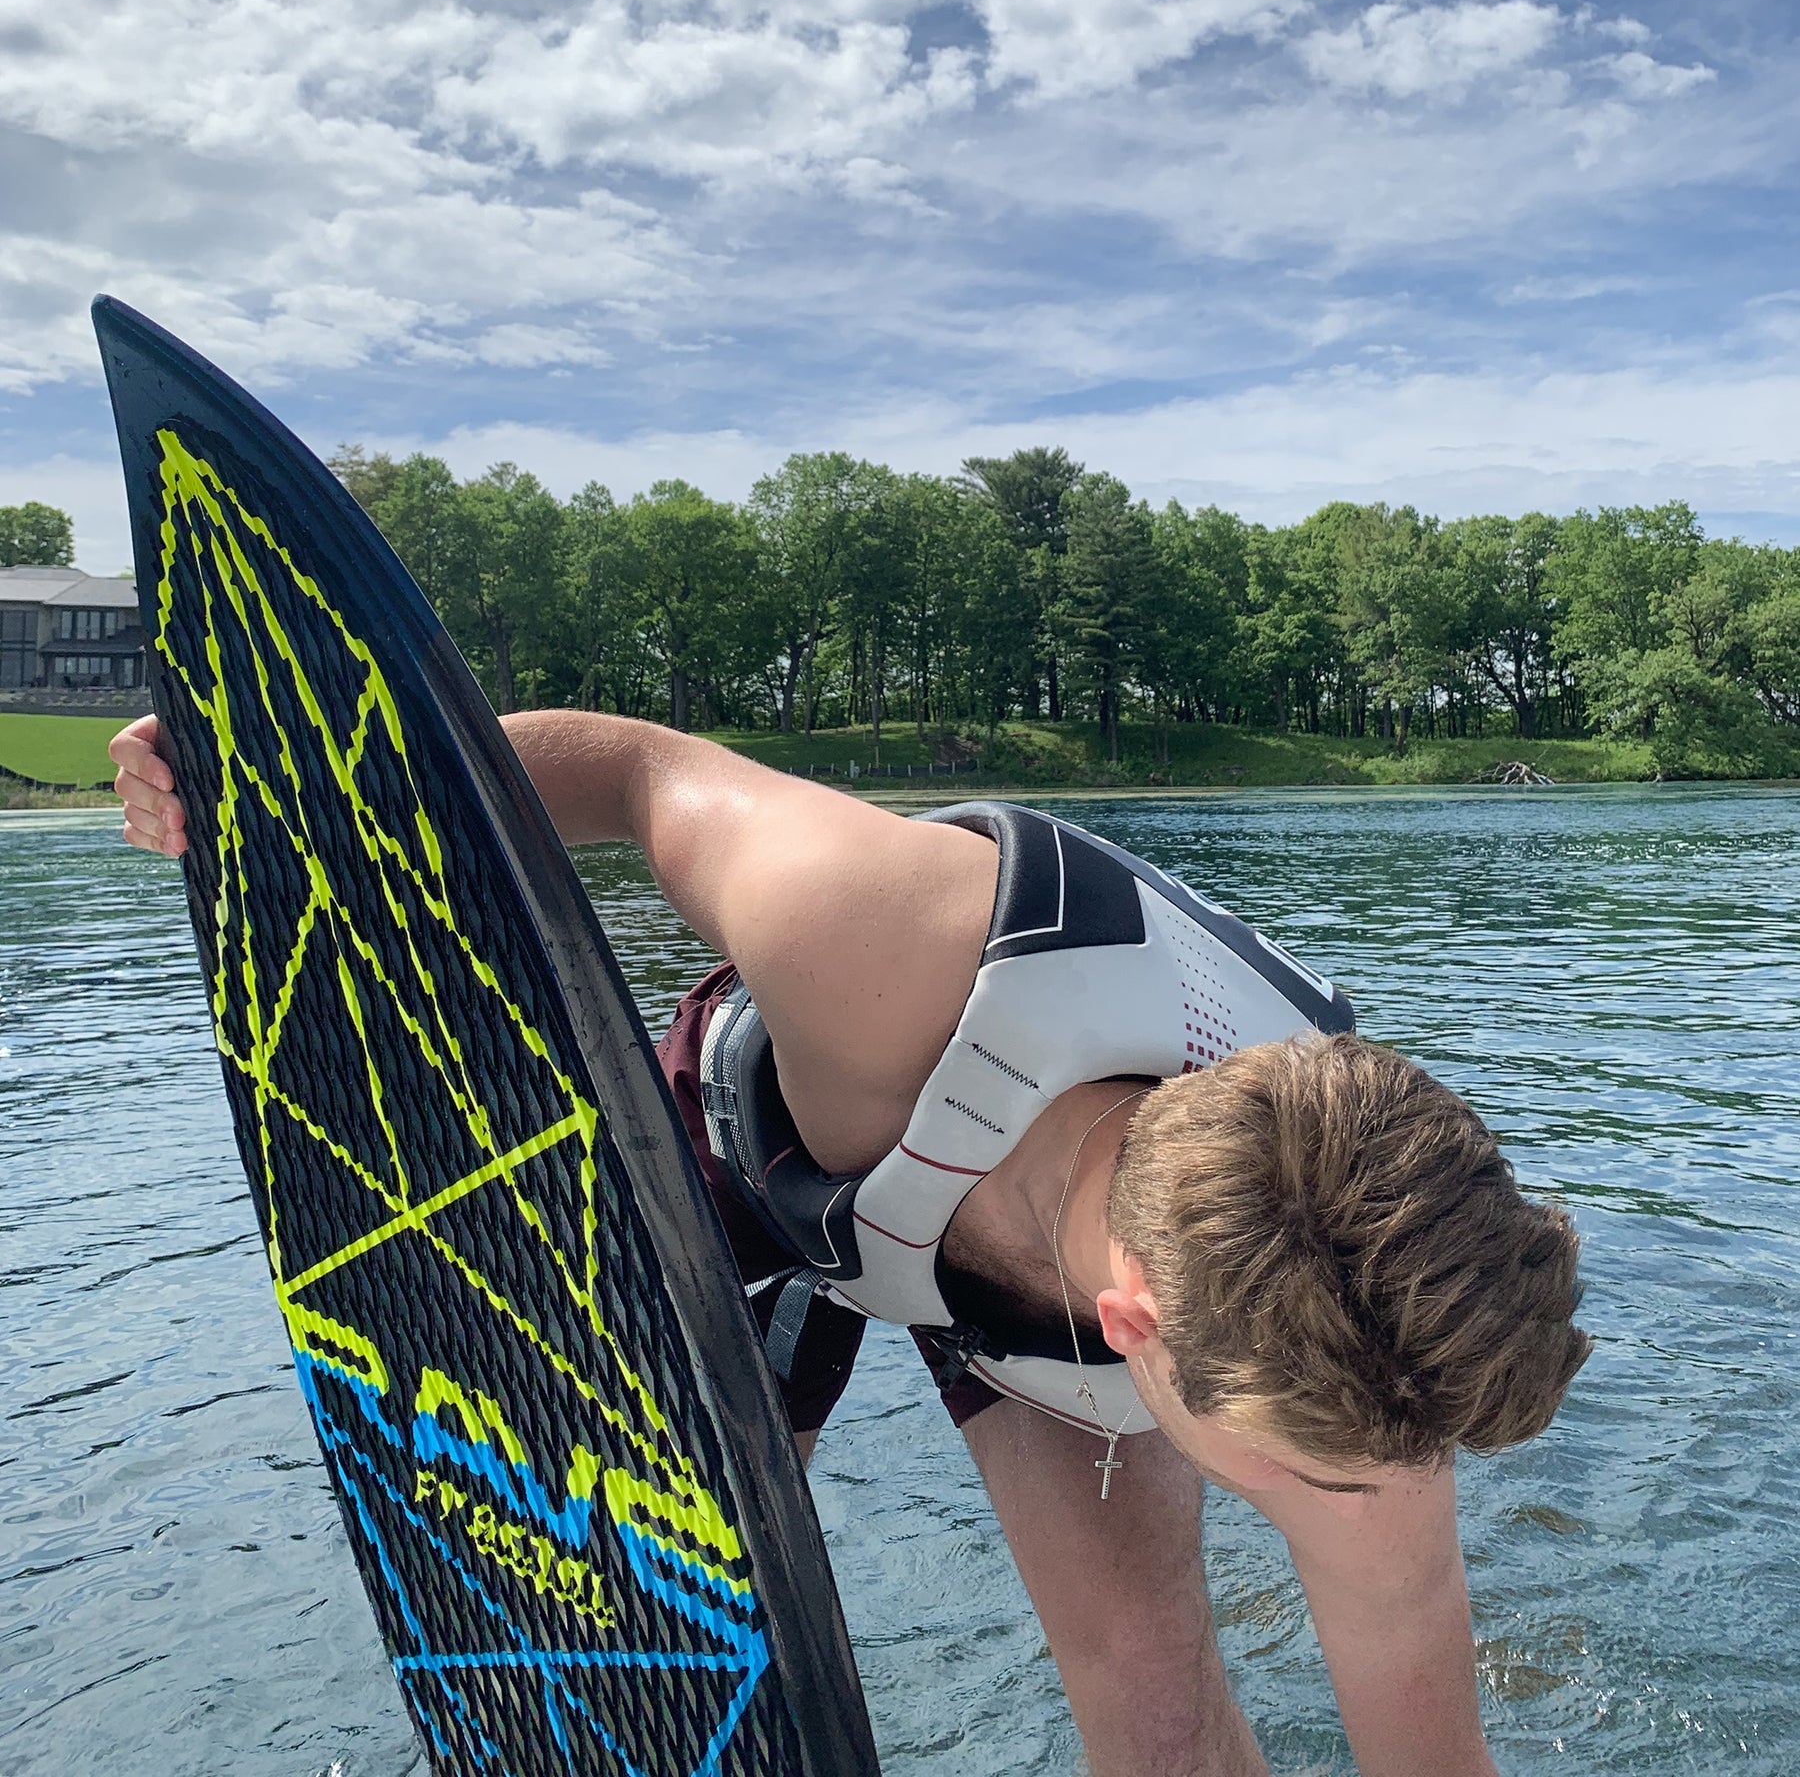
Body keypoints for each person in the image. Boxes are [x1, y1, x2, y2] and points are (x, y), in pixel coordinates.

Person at [110, 708, 1591, 1777]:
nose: (1363, 1499)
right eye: (1311, 1469)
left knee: (1149, 1707)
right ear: (1137, 1330)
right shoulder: (870, 930)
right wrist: (297, 784)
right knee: (681, 1630)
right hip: (785, 1158)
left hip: (1068, 1271)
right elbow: (640, 770)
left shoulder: (1374, 1385)